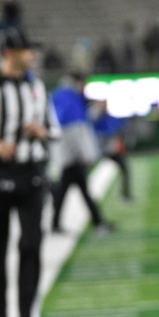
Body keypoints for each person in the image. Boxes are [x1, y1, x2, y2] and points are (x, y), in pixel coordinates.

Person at [0, 27, 60, 317]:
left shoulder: (36, 85)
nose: (32, 55)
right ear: (8, 53)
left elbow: (55, 130)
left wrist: (42, 132)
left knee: (30, 247)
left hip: (31, 175)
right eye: (26, 50)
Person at [50, 73, 113, 235]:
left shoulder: (62, 96)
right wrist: (87, 154)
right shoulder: (69, 97)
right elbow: (75, 129)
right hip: (71, 156)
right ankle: (97, 221)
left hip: (68, 155)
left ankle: (58, 223)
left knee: (71, 191)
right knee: (77, 191)